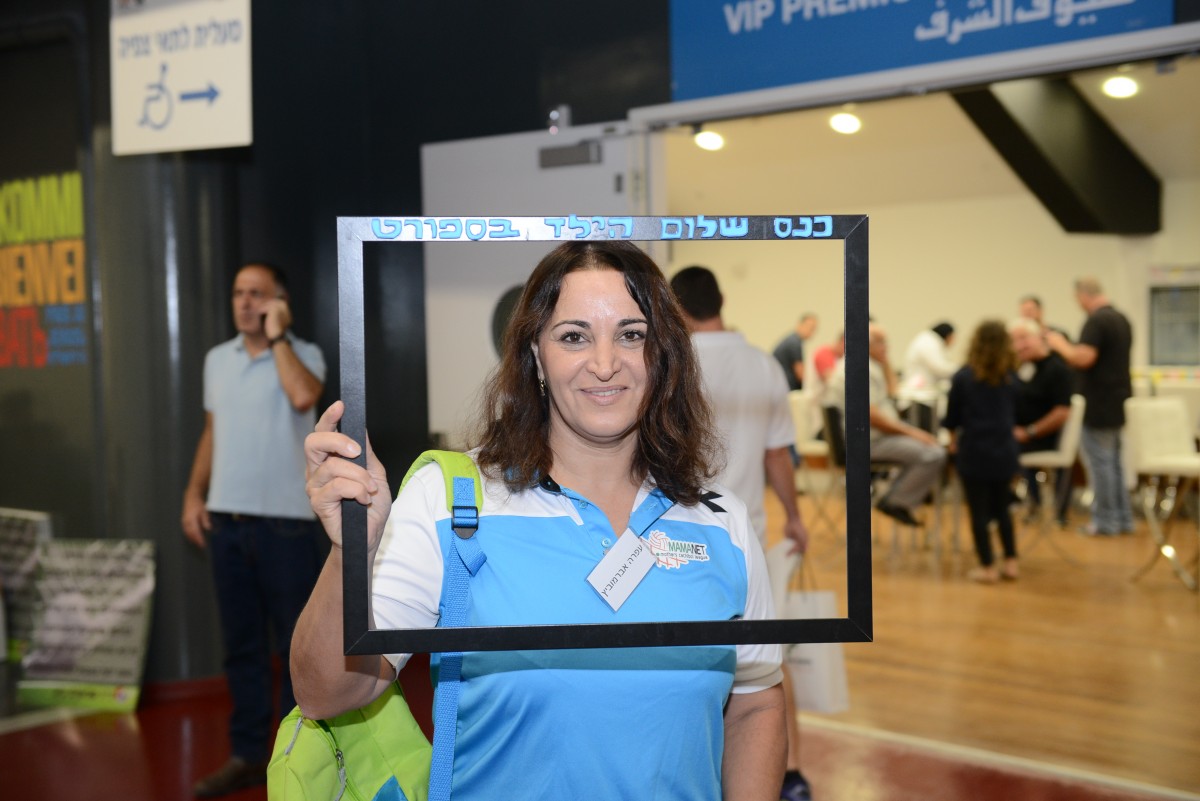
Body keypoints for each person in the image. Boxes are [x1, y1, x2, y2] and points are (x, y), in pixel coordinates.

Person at [294, 241, 787, 801]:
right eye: (574, 336)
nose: (605, 363)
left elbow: (756, 702)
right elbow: (324, 694)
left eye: (632, 334)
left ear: (663, 353)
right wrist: (350, 553)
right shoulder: (454, 500)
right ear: (536, 352)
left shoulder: (721, 520)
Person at [181, 263, 327, 798]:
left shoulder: (303, 354)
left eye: (257, 294)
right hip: (227, 523)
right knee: (241, 649)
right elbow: (212, 432)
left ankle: (294, 760)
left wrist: (278, 337)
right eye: (239, 293)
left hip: (287, 527)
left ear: (280, 302)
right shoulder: (217, 360)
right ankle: (246, 756)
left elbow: (302, 396)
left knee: (295, 649)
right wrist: (194, 493)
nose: (245, 302)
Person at [669, 265, 811, 801]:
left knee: (689, 662)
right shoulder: (765, 365)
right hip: (747, 536)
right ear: (722, 300)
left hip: (676, 539)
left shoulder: (670, 362)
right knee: (764, 663)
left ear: (675, 308)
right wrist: (794, 516)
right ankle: (790, 773)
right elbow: (778, 456)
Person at [827, 324, 946, 527]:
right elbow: (873, 418)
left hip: (877, 437)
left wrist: (885, 362)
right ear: (866, 344)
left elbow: (893, 391)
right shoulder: (859, 369)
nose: (886, 347)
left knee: (930, 446)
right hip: (869, 442)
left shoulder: (869, 365)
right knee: (933, 453)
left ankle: (894, 497)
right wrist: (913, 434)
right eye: (881, 343)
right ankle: (895, 501)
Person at [1045, 278, 1134, 536]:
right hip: (1116, 400)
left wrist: (1059, 344)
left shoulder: (1096, 321)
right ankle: (1122, 519)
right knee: (1114, 462)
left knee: (1101, 464)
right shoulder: (1121, 319)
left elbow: (1083, 358)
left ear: (1083, 295)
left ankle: (1106, 521)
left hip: (1098, 404)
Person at [943, 321, 1020, 583]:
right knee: (1003, 508)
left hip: (974, 450)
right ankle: (1011, 561)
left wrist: (953, 442)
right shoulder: (1011, 378)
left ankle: (987, 566)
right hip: (1004, 450)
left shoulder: (963, 377)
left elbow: (951, 419)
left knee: (979, 512)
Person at [1008, 317, 1075, 524]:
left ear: (1039, 337)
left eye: (1024, 338)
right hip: (1021, 435)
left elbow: (1062, 412)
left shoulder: (1057, 368)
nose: (1019, 345)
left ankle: (1015, 503)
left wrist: (1030, 431)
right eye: (1014, 340)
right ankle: (1023, 502)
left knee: (1000, 448)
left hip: (1045, 437)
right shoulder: (1019, 368)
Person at [773, 313, 818, 391]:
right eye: (809, 327)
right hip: (786, 388)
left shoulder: (792, 340)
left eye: (813, 329)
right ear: (799, 324)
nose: (811, 332)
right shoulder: (794, 343)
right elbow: (800, 374)